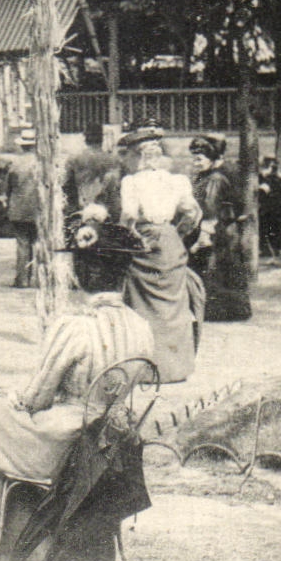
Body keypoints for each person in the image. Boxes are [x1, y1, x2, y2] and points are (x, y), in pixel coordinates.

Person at [0, 221, 155, 561]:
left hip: (68, 442)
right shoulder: (141, 327)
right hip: (113, 440)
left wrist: (5, 395)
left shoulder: (74, 326)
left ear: (84, 271)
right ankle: (28, 549)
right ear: (122, 274)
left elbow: (35, 399)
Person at [116, 130, 203, 382]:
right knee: (174, 307)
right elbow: (192, 213)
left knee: (143, 308)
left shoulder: (131, 183)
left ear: (137, 157)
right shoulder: (177, 181)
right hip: (170, 241)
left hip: (144, 242)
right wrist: (177, 234)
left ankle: (148, 368)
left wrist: (128, 237)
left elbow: (130, 216)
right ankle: (176, 368)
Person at [188, 134, 251, 322]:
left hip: (218, 231)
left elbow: (210, 209)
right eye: (194, 158)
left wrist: (204, 235)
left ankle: (219, 312)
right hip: (223, 230)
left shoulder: (215, 179)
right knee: (223, 270)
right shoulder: (207, 176)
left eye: (199, 159)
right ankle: (227, 310)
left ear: (212, 158)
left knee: (216, 269)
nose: (195, 162)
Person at [5, 129, 41, 288]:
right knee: (39, 243)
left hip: (18, 209)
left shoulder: (14, 164)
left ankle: (22, 279)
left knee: (22, 244)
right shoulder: (42, 164)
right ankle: (41, 279)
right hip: (39, 209)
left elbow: (7, 188)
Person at [256, 157, 281, 256]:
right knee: (265, 227)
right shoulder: (261, 178)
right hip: (266, 208)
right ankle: (266, 248)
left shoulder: (280, 179)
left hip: (276, 207)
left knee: (277, 228)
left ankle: (275, 248)